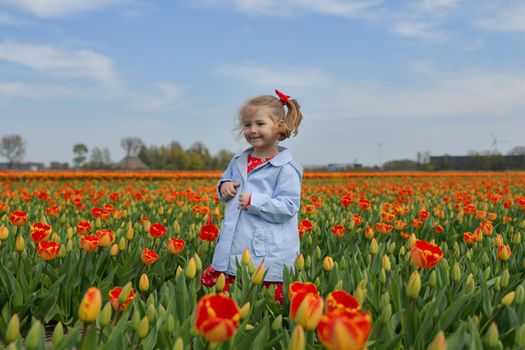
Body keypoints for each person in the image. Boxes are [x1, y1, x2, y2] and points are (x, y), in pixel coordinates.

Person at [200, 89, 303, 304]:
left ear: (279, 126)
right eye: (247, 125)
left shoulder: (286, 168)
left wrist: (254, 202)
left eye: (260, 124)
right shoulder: (238, 160)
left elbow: (289, 206)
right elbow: (225, 180)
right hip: (233, 246)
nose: (252, 130)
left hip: (265, 252)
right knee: (228, 303)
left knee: (259, 305)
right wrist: (224, 186)